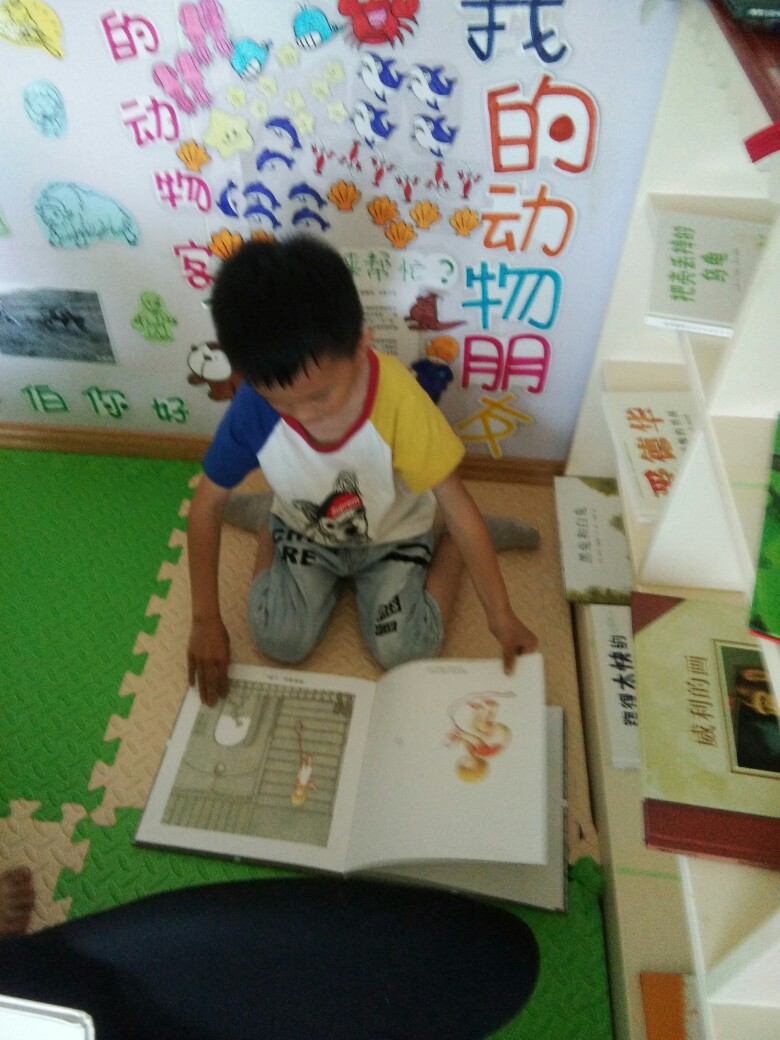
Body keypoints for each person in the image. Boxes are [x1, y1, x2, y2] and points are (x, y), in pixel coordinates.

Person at [187, 235, 539, 707]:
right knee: (277, 638)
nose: (303, 415)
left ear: (362, 344)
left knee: (406, 650)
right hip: (307, 529)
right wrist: (205, 620)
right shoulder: (254, 405)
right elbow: (206, 507)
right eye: (280, 402)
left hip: (394, 536)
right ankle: (272, 520)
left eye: (319, 397)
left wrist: (501, 616)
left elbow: (456, 506)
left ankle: (449, 550)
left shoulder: (399, 399)